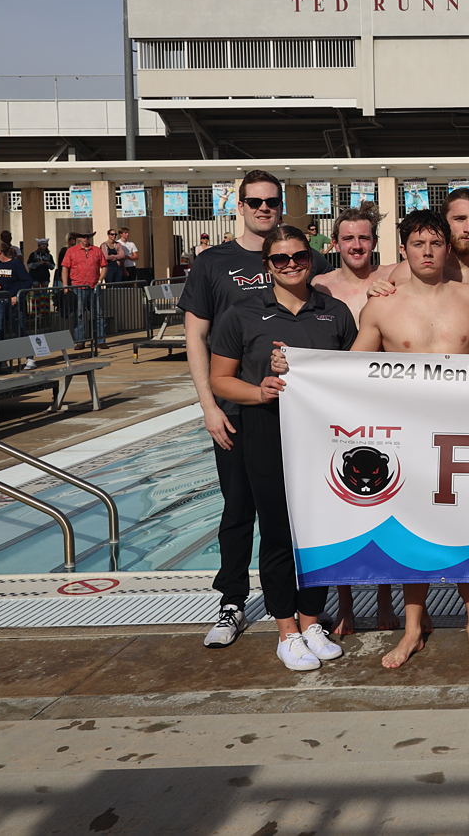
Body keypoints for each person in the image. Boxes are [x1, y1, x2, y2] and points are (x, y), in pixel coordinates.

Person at [352, 209, 469, 668]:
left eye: (436, 244)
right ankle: (413, 629)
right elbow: (351, 369)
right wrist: (297, 370)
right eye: (418, 244)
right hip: (409, 434)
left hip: (463, 431)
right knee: (409, 533)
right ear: (404, 251)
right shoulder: (382, 305)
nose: (428, 252)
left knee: (467, 530)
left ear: (448, 249)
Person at [210, 225, 355, 671]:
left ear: (311, 259)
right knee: (276, 529)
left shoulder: (334, 312)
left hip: (322, 435)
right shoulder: (242, 313)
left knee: (318, 529)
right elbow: (221, 380)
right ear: (267, 265)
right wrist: (261, 390)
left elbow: (353, 374)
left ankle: (311, 621)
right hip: (265, 429)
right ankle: (286, 630)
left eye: (299, 256)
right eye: (280, 259)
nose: (291, 264)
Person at [181, 169, 288, 649]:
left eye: (271, 201)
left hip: (289, 409)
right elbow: (195, 337)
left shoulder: (297, 254)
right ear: (239, 206)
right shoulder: (213, 263)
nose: (264, 208)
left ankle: (293, 596)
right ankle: (232, 600)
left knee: (288, 510)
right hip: (236, 408)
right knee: (239, 507)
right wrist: (208, 406)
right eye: (255, 201)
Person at [307, 203, 396, 637]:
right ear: (335, 243)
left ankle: (385, 599)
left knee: (388, 506)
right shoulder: (319, 285)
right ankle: (344, 604)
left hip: (383, 404)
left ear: (374, 242)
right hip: (334, 408)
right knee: (338, 507)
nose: (357, 245)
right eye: (348, 238)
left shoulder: (395, 276)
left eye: (364, 237)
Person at [59, 230, 107, 347]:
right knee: (79, 315)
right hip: (77, 287)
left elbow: (104, 266)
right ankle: (80, 341)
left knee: (99, 314)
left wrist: (100, 280)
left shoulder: (97, 250)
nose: (85, 239)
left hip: (94, 286)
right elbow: (65, 268)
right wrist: (65, 285)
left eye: (87, 237)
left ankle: (100, 341)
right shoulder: (71, 251)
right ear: (79, 238)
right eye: (83, 237)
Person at [0, 241, 32, 343]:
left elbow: (27, 281)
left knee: (19, 328)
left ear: (0, 251)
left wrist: (17, 296)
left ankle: (25, 350)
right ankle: (1, 352)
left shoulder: (16, 263)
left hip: (14, 301)